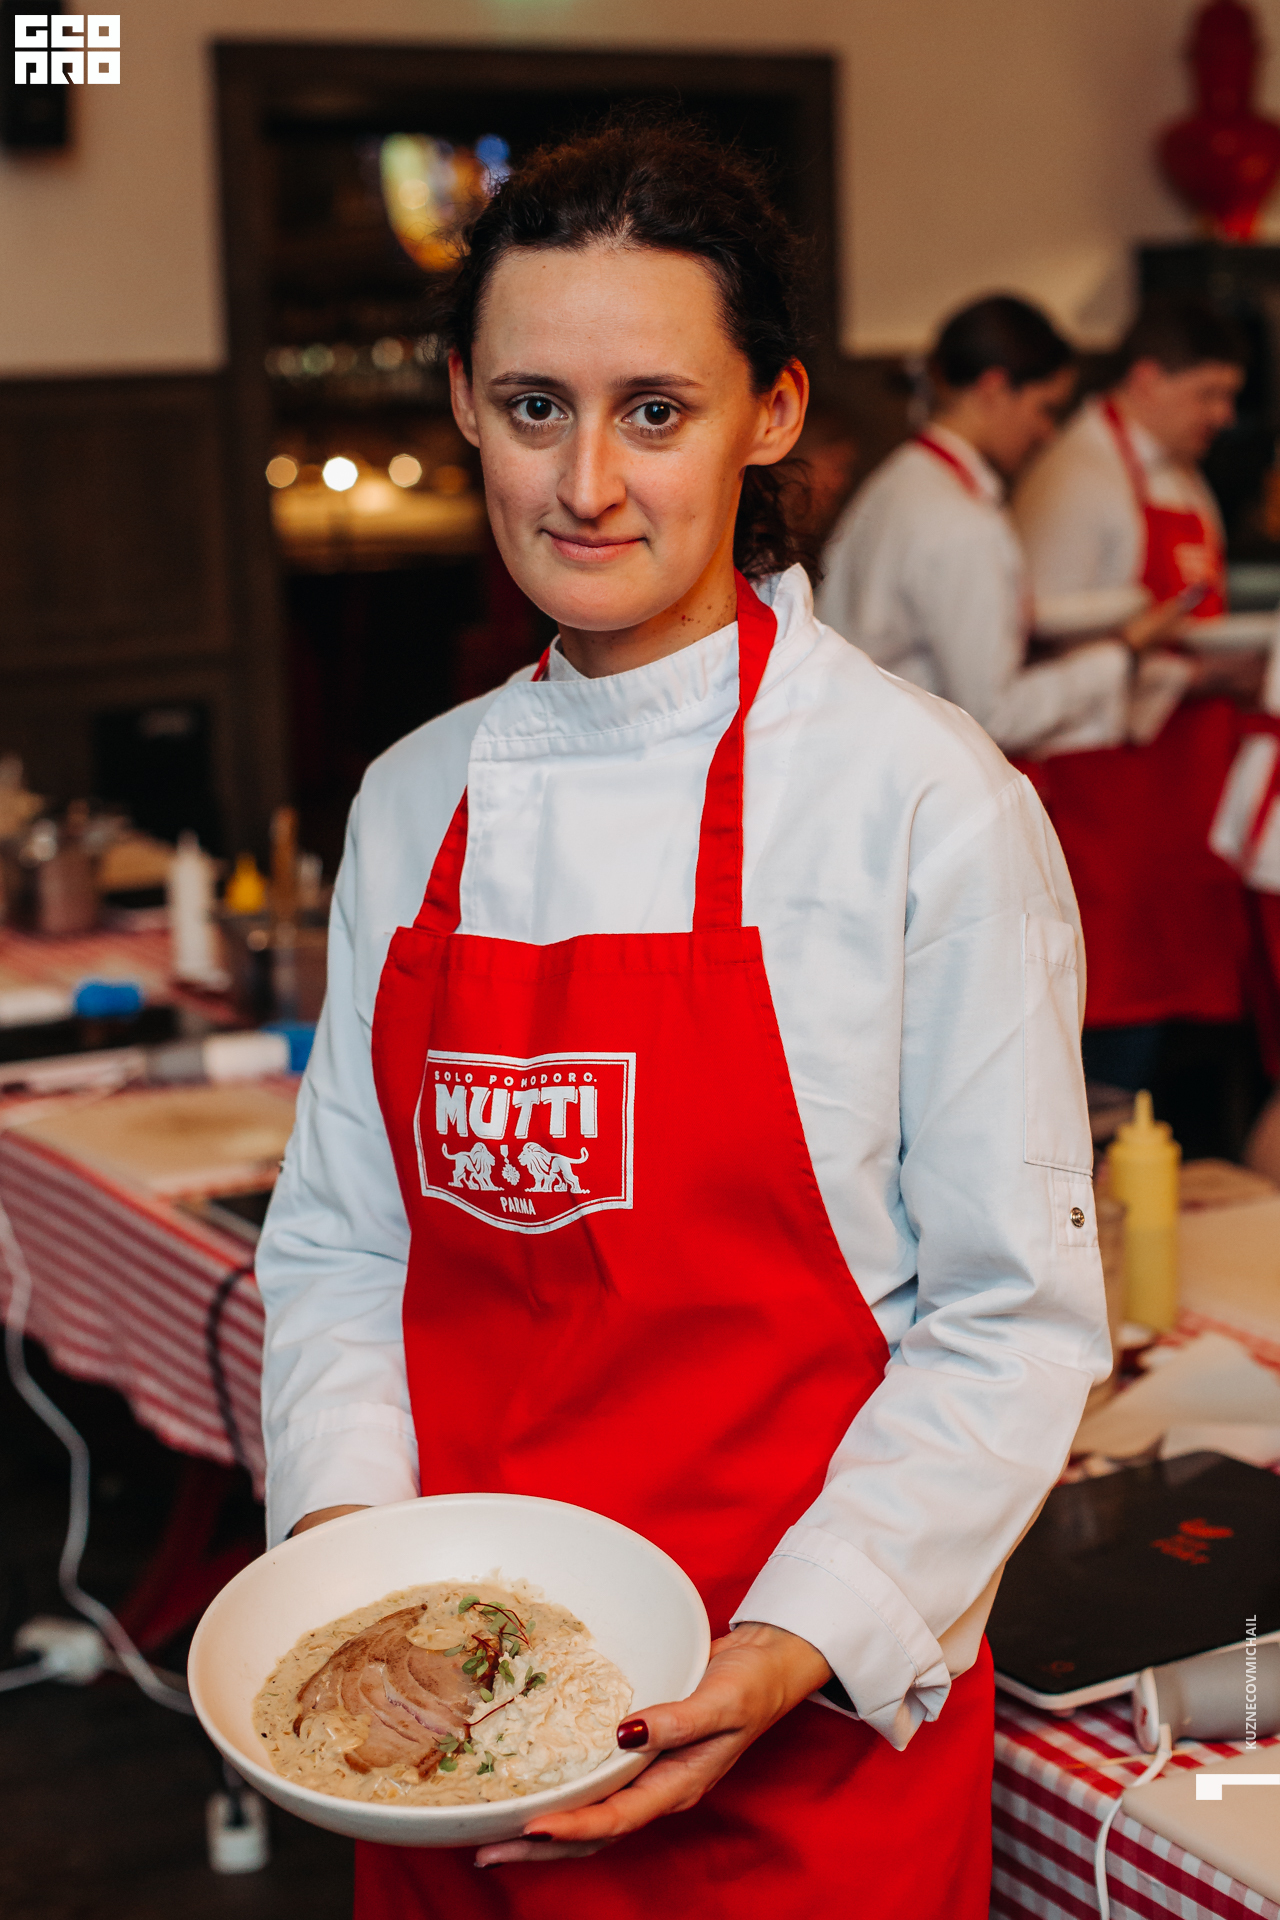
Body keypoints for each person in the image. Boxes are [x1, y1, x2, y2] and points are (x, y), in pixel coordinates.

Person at [255, 120, 1109, 1920]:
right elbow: (344, 1245)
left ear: (771, 415)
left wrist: (792, 1645)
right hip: (445, 1747)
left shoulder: (921, 801)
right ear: (466, 408)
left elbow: (1010, 1320)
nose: (587, 483)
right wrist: (346, 1572)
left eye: (656, 410)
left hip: (795, 1761)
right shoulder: (412, 802)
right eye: (534, 407)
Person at [1013, 297, 1249, 1090]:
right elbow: (1042, 645)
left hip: (1172, 796)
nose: (1223, 416)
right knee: (1104, 1017)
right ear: (1147, 379)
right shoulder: (1079, 476)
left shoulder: (1181, 475)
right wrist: (1188, 671)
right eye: (1209, 393)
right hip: (1101, 792)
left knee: (1167, 1026)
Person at [816, 295, 1140, 757]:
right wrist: (1122, 655)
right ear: (993, 389)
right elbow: (995, 715)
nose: (1048, 433)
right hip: (906, 762)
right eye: (1045, 409)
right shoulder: (958, 520)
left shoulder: (898, 478)